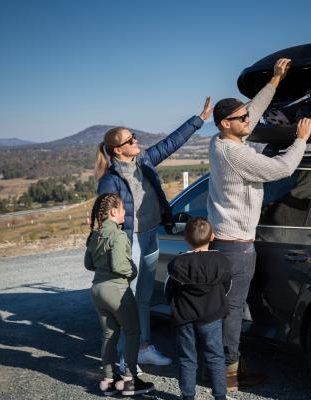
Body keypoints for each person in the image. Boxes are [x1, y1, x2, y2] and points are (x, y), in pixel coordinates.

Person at [207, 58, 311, 391]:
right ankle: (227, 373)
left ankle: (227, 363)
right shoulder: (234, 154)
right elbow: (281, 169)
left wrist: (276, 80)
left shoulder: (220, 140)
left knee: (231, 307)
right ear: (225, 124)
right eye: (241, 119)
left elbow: (252, 109)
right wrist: (301, 140)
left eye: (246, 116)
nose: (248, 120)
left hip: (230, 241)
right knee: (232, 310)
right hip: (235, 246)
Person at [95, 98, 213, 368]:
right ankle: (125, 356)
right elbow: (105, 218)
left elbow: (171, 143)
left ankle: (144, 347)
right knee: (126, 300)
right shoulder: (110, 180)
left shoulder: (144, 162)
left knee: (144, 297)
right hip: (129, 242)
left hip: (150, 235)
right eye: (130, 139)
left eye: (134, 136)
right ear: (118, 150)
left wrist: (199, 120)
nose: (136, 140)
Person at [84, 193, 154, 396]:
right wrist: (133, 271)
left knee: (109, 334)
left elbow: (89, 264)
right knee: (132, 332)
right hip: (116, 289)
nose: (125, 212)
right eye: (123, 209)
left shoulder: (95, 235)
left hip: (97, 289)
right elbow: (119, 265)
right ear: (114, 212)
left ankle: (108, 381)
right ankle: (130, 380)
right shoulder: (119, 235)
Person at [165, 217, 231, 400]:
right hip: (212, 315)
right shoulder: (221, 261)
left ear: (186, 238)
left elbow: (168, 290)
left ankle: (188, 396)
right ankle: (220, 396)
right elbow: (227, 286)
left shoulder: (177, 263)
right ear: (212, 237)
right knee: (215, 356)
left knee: (187, 358)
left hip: (184, 317)